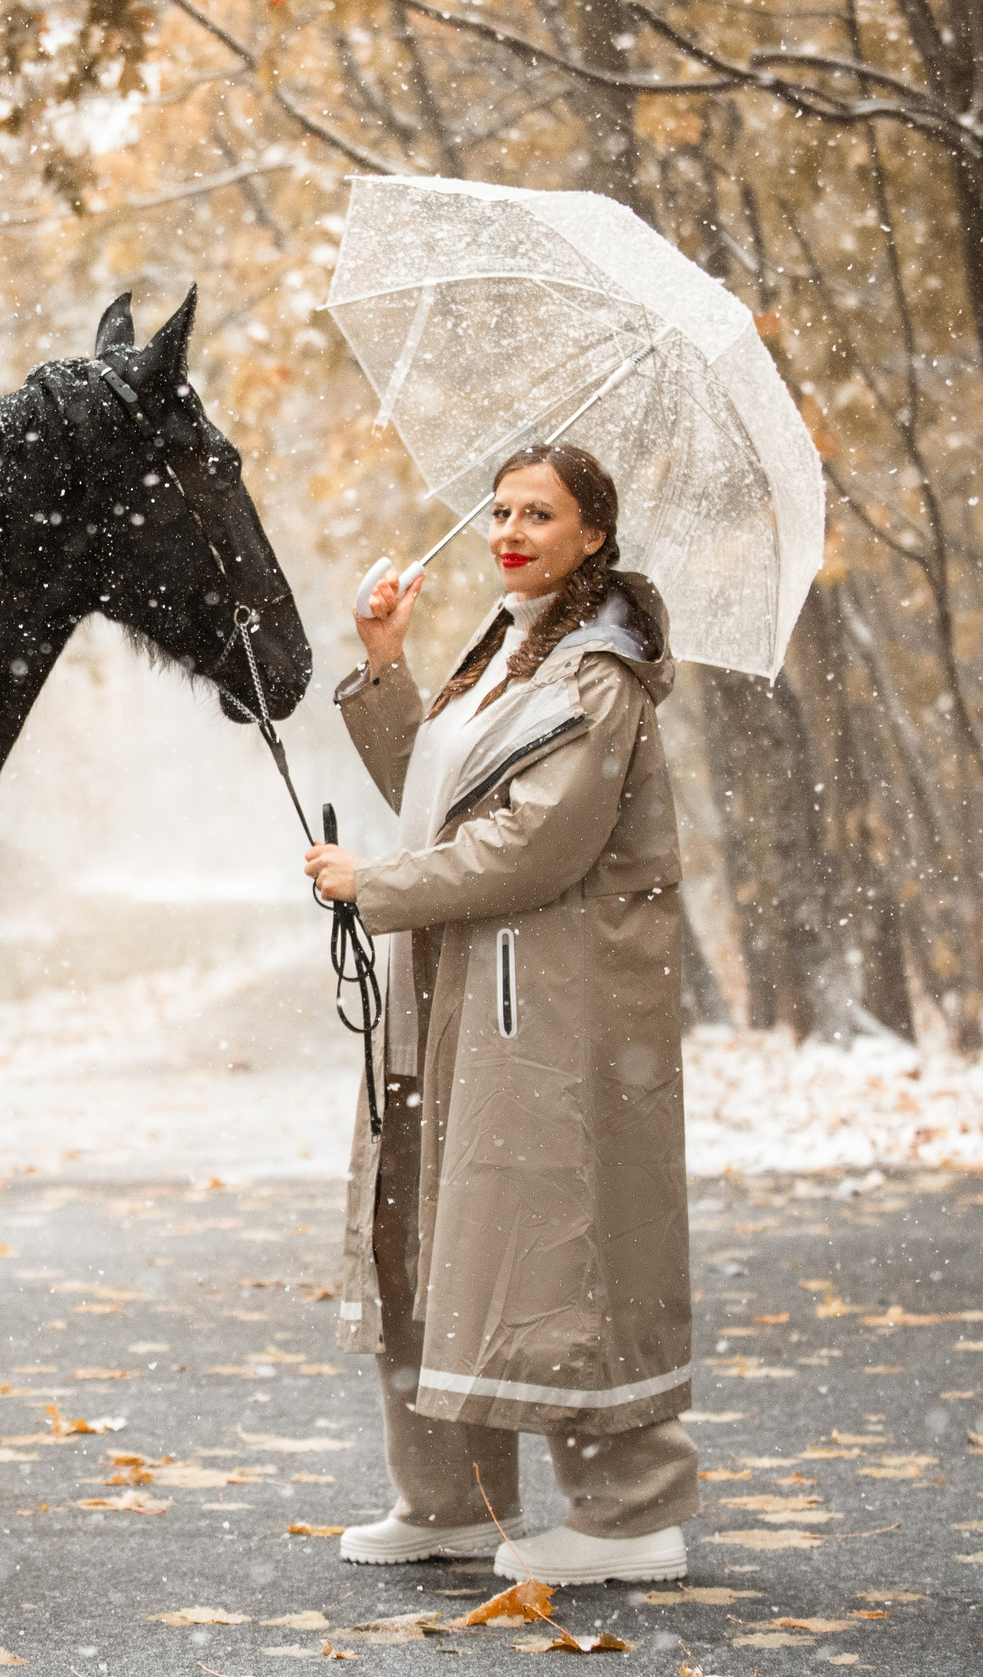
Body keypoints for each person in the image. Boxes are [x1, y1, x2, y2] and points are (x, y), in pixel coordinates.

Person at [300, 443, 695, 1587]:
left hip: (546, 1005)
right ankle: (453, 1500)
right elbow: (442, 804)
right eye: (501, 509)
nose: (511, 529)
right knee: (418, 1225)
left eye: (541, 513)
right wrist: (385, 671)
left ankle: (631, 1517)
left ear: (594, 538)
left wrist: (375, 888)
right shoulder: (506, 648)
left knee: (556, 1247)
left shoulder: (597, 673)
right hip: (455, 989)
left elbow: (536, 844)